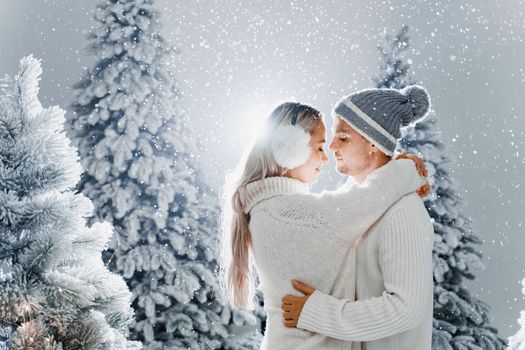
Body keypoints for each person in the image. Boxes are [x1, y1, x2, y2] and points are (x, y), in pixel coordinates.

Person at [221, 98, 428, 349]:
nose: (327, 155)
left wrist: (391, 168)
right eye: (319, 147)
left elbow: (352, 204)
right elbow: (363, 201)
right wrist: (407, 170)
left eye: (341, 138)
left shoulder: (271, 210)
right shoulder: (290, 214)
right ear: (290, 148)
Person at [281, 86, 434, 350]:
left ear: (373, 143)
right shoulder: (355, 202)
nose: (331, 145)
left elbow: (407, 308)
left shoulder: (402, 213)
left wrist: (318, 313)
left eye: (343, 137)